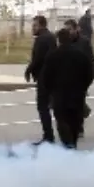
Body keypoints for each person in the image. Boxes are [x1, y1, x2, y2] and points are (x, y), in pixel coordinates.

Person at [40, 28, 94, 148]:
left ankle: (67, 146)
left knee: (62, 122)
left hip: (60, 96)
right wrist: (83, 87)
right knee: (75, 123)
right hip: (77, 96)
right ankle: (73, 144)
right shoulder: (81, 55)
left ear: (58, 40)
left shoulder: (52, 56)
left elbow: (46, 77)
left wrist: (52, 91)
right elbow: (90, 74)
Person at [24, 15, 58, 144]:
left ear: (42, 25)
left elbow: (37, 59)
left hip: (44, 78)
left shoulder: (42, 39)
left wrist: (28, 70)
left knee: (42, 107)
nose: (33, 28)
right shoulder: (50, 37)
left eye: (35, 25)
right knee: (52, 106)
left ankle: (48, 136)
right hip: (51, 77)